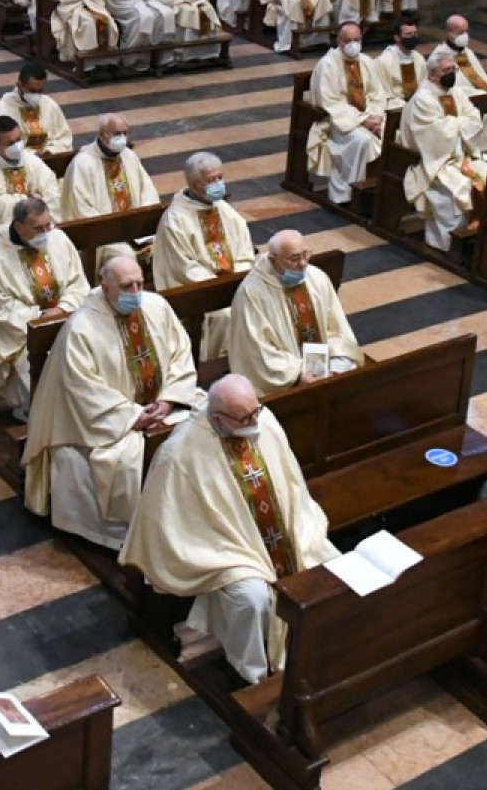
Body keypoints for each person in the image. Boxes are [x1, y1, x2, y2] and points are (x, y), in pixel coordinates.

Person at [118, 374, 338, 685]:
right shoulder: (180, 453)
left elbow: (291, 482)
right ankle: (252, 674)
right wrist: (227, 548)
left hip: (278, 534)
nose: (253, 423)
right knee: (252, 598)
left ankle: (318, 646)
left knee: (327, 561)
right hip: (224, 548)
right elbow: (169, 521)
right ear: (218, 417)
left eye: (255, 411)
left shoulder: (263, 422)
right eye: (243, 418)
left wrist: (297, 522)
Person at [22, 255, 203, 548]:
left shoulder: (156, 307)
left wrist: (169, 399)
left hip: (164, 405)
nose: (135, 293)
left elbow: (181, 354)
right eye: (126, 287)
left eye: (139, 284)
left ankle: (190, 521)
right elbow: (82, 390)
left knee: (205, 430)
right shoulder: (81, 328)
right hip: (106, 423)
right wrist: (132, 415)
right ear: (105, 288)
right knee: (129, 461)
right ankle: (140, 537)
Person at [0, 197, 89, 419]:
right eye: (38, 228)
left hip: (69, 317)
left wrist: (63, 308)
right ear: (19, 227)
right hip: (24, 332)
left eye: (48, 225)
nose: (46, 233)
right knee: (36, 364)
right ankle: (42, 416)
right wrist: (40, 317)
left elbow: (78, 283)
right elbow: (1, 307)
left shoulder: (58, 238)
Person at [226, 229, 359, 396]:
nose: (303, 263)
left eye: (306, 255)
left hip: (326, 367)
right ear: (273, 260)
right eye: (294, 258)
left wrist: (337, 362)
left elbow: (336, 329)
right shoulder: (252, 292)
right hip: (287, 376)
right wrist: (298, 374)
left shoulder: (316, 278)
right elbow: (256, 351)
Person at [154, 152, 256, 358]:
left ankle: (250, 359)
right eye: (211, 180)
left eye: (220, 177)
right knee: (224, 314)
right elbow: (183, 268)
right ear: (193, 184)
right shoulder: (176, 219)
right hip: (196, 288)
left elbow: (244, 248)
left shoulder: (223, 208)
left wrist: (238, 276)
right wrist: (220, 286)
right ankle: (215, 363)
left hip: (232, 280)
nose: (219, 184)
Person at [399, 51, 487, 251]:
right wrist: (458, 124)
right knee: (459, 188)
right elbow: (435, 134)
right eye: (446, 70)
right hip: (434, 161)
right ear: (432, 74)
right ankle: (447, 244)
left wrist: (452, 123)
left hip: (458, 155)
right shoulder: (423, 99)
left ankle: (475, 240)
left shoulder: (455, 93)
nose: (451, 73)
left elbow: (474, 118)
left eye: (453, 69)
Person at [307, 23, 389, 204]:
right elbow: (330, 103)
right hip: (336, 122)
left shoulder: (367, 62)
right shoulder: (327, 65)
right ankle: (345, 192)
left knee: (393, 133)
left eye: (357, 40)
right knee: (361, 140)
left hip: (366, 117)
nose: (353, 44)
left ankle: (375, 191)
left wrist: (374, 117)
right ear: (339, 41)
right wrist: (362, 120)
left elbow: (378, 94)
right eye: (348, 40)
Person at [61, 112, 159, 224]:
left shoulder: (129, 156)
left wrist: (142, 219)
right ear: (102, 134)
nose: (122, 138)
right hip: (103, 232)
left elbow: (147, 191)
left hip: (135, 227)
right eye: (117, 134)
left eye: (125, 133)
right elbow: (80, 207)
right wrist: (111, 227)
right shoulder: (82, 164)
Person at [0, 63, 73, 154]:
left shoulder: (49, 104)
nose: (36, 95)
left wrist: (50, 151)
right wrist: (31, 156)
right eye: (32, 91)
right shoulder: (2, 109)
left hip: (48, 159)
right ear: (19, 85)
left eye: (40, 91)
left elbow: (64, 138)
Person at [434, 14, 487, 96]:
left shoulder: (467, 51)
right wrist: (480, 94)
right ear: (450, 34)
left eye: (466, 31)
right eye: (461, 32)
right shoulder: (440, 56)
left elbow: (481, 79)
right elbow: (452, 89)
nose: (465, 35)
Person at [375, 13, 427, 113]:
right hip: (396, 107)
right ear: (397, 37)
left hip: (418, 104)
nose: (413, 37)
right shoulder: (384, 61)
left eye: (415, 34)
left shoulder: (419, 58)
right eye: (408, 34)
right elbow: (383, 93)